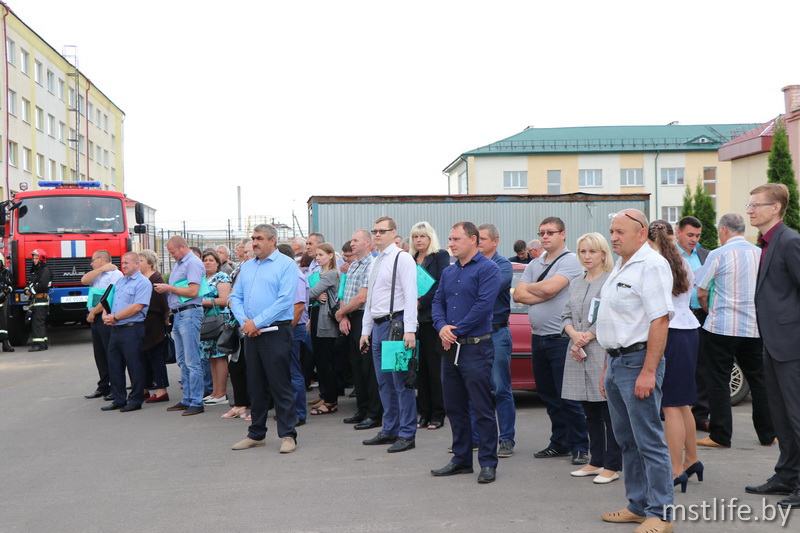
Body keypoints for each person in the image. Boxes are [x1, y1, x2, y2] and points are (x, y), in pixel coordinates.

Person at [596, 209, 674, 533]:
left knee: (649, 442)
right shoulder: (621, 265)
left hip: (637, 363)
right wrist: (606, 367)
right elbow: (614, 320)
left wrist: (648, 371)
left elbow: (660, 320)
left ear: (641, 234)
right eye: (611, 231)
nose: (613, 237)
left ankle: (661, 514)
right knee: (627, 441)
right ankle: (638, 506)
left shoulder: (652, 265)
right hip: (617, 363)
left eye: (619, 232)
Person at [695, 213, 773, 450]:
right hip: (753, 328)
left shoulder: (718, 254)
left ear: (725, 230)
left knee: (718, 381)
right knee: (759, 380)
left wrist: (711, 311)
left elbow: (701, 291)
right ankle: (768, 434)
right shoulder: (760, 254)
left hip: (721, 328)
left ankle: (720, 435)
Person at [430, 221, 500, 484]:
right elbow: (438, 301)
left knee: (481, 407)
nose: (451, 243)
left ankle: (488, 463)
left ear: (473, 239)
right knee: (454, 406)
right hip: (450, 347)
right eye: (450, 239)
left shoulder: (488, 269)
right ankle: (461, 460)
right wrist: (441, 327)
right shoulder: (449, 272)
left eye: (456, 239)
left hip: (476, 348)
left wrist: (454, 330)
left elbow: (483, 306)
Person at [513, 217, 587, 464]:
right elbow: (519, 295)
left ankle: (580, 446)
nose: (545, 237)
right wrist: (544, 291)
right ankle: (560, 443)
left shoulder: (571, 261)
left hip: (561, 338)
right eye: (541, 233)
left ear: (563, 234)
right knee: (548, 395)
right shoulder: (535, 263)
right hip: (539, 338)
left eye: (550, 232)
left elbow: (545, 290)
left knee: (568, 396)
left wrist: (540, 290)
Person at [745, 184, 800, 508]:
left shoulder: (790, 241)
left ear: (776, 208)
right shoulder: (767, 242)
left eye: (756, 205)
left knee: (796, 416)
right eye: (750, 204)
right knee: (781, 416)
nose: (750, 210)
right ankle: (787, 475)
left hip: (791, 346)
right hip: (773, 343)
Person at [229, 224, 299, 454]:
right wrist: (245, 323)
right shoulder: (247, 266)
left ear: (272, 240)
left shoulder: (286, 264)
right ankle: (256, 434)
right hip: (251, 332)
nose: (254, 242)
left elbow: (285, 300)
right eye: (252, 238)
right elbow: (234, 297)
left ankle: (288, 434)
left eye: (259, 238)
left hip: (276, 332)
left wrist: (256, 322)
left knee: (280, 384)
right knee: (255, 385)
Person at [561, 232, 621, 484]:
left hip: (600, 351)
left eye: (592, 251)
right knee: (589, 411)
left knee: (608, 411)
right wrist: (575, 334)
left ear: (603, 254)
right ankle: (596, 461)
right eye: (583, 251)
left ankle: (613, 464)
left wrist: (588, 335)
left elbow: (612, 315)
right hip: (577, 351)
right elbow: (565, 315)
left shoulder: (611, 281)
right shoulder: (575, 282)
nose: (586, 256)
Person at [647, 220, 702, 493]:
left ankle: (675, 468)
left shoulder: (656, 263)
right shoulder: (682, 261)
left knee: (670, 405)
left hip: (671, 332)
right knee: (682, 404)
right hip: (690, 330)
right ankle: (692, 460)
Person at [359, 216, 418, 453]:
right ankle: (390, 428)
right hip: (379, 325)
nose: (377, 235)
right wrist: (366, 330)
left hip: (397, 326)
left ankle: (406, 433)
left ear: (394, 233)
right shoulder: (376, 260)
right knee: (384, 383)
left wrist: (410, 329)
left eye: (382, 231)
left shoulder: (401, 258)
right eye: (375, 231)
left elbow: (411, 295)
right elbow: (371, 299)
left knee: (401, 384)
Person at [335, 230, 383, 430]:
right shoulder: (354, 264)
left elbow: (362, 298)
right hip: (351, 317)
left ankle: (374, 414)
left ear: (368, 242)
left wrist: (340, 313)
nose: (352, 244)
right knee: (356, 366)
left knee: (368, 368)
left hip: (364, 317)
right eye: (352, 240)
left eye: (356, 240)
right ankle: (362, 410)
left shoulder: (371, 265)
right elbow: (346, 293)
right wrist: (344, 314)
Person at [154, 236, 206, 416]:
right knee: (183, 360)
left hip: (189, 312)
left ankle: (197, 401)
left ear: (182, 247)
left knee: (192, 361)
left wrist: (168, 289)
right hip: (180, 314)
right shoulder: (180, 263)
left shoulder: (192, 263)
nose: (172, 255)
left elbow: (193, 291)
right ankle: (187, 398)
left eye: (173, 251)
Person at [475, 223, 515, 456]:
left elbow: (486, 290)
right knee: (476, 390)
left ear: (495, 241)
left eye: (482, 239)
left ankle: (507, 439)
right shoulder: (469, 264)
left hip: (497, 333)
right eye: (476, 239)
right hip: (474, 336)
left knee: (501, 389)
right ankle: (477, 437)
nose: (478, 242)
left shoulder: (503, 265)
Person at [100, 252, 152, 412]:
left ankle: (136, 399)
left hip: (132, 328)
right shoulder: (120, 281)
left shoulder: (143, 283)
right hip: (116, 328)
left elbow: (137, 307)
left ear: (137, 264)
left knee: (134, 365)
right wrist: (106, 315)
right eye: (123, 262)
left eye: (128, 262)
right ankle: (119, 398)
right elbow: (109, 301)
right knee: (114, 365)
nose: (124, 265)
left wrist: (115, 317)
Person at [411, 221, 450, 431]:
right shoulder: (409, 259)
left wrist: (421, 301)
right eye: (415, 236)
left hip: (432, 319)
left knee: (435, 370)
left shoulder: (440, 255)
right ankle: (423, 413)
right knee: (420, 370)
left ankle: (438, 414)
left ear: (430, 238)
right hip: (413, 321)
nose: (419, 240)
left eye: (422, 236)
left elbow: (441, 284)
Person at [675, 216, 711, 432]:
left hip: (702, 315)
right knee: (676, 364)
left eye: (697, 236)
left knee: (702, 366)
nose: (694, 240)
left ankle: (700, 414)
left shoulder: (706, 255)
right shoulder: (668, 256)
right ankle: (669, 409)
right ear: (678, 232)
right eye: (690, 235)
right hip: (679, 316)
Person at [81, 250, 123, 398]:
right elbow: (84, 280)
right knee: (99, 354)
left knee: (110, 353)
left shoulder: (115, 275)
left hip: (105, 316)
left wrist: (93, 313)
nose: (91, 263)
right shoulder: (98, 273)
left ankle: (115, 387)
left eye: (93, 260)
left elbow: (109, 297)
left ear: (101, 259)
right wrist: (101, 269)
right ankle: (104, 385)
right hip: (96, 318)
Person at [307, 243, 341, 415]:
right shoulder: (320, 274)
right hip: (317, 319)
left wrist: (312, 293)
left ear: (330, 256)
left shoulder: (331, 274)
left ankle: (330, 400)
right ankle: (324, 394)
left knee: (326, 362)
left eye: (321, 255)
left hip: (325, 323)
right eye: (317, 255)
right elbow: (313, 294)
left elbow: (310, 293)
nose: (317, 257)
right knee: (320, 360)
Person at [278, 243, 308, 426]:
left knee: (293, 371)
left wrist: (287, 330)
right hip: (289, 327)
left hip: (293, 328)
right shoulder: (289, 274)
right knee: (287, 372)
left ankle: (298, 413)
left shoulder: (295, 276)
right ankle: (290, 411)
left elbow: (298, 307)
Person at [200, 249, 232, 406]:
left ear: (218, 263)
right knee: (211, 357)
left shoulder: (222, 277)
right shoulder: (202, 278)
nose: (207, 262)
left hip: (218, 320)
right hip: (206, 322)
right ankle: (214, 392)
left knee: (219, 356)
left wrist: (203, 302)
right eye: (205, 259)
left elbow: (225, 299)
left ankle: (222, 393)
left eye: (211, 260)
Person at [138, 250, 170, 404]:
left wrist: (166, 319)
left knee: (156, 356)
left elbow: (164, 303)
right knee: (144, 357)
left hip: (154, 322)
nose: (139, 263)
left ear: (150, 263)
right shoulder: (140, 278)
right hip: (143, 322)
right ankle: (144, 388)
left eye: (141, 260)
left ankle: (161, 390)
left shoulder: (156, 278)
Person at [25, 249, 51, 352]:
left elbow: (42, 285)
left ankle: (38, 344)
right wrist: (26, 289)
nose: (34, 260)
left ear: (41, 259)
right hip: (36, 300)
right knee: (38, 322)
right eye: (33, 258)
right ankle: (43, 343)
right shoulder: (35, 270)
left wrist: (31, 291)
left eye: (36, 258)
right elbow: (31, 283)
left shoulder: (45, 270)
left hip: (41, 300)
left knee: (37, 322)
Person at [0, 257, 14, 352]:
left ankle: (5, 344)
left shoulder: (6, 272)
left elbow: (11, 284)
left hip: (1, 303)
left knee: (3, 325)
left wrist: (8, 289)